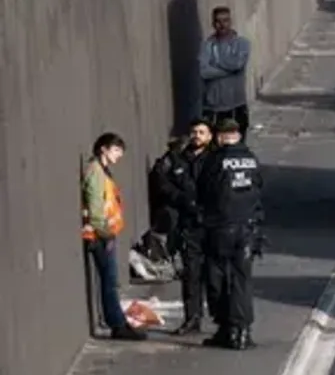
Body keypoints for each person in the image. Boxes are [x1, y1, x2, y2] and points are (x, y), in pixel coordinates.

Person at [195, 118, 263, 349]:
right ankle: (242, 331)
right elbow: (258, 191)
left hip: (220, 228)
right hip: (247, 228)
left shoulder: (216, 160)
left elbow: (204, 190)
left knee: (217, 279)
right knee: (242, 281)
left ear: (221, 136)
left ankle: (226, 329)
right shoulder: (252, 160)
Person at [152, 119, 215, 333]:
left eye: (202, 132)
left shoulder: (215, 159)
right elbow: (161, 181)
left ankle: (221, 318)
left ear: (210, 136)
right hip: (187, 224)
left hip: (211, 224)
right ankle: (192, 318)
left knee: (216, 275)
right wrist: (182, 198)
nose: (197, 135)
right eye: (194, 132)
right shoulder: (177, 159)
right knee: (191, 274)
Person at [83, 133, 146, 341]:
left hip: (104, 233)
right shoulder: (96, 173)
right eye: (116, 150)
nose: (119, 155)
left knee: (110, 281)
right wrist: (106, 234)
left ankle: (118, 322)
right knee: (109, 281)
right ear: (104, 149)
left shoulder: (102, 171)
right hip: (100, 235)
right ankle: (118, 325)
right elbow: (95, 208)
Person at [199, 6, 252, 134]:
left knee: (237, 148)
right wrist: (229, 71)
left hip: (236, 104)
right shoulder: (207, 46)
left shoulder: (242, 44)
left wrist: (216, 62)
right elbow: (204, 72)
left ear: (230, 22)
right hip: (213, 107)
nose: (222, 25)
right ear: (213, 24)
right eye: (218, 21)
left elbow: (237, 64)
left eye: (225, 21)